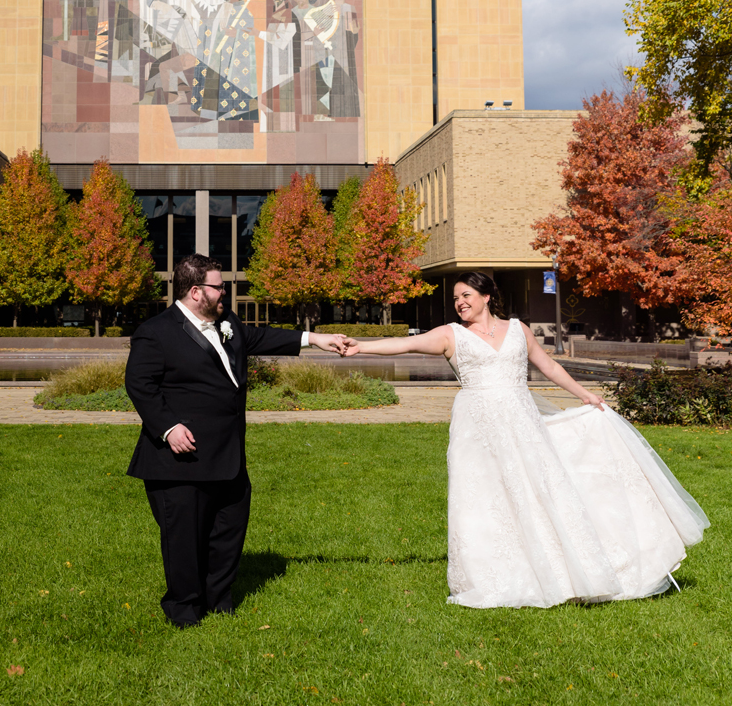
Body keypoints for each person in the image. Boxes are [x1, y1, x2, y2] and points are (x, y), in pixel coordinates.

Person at [342, 271, 708, 607]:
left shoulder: (519, 329)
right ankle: (491, 575)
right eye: (455, 298)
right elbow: (406, 346)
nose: (460, 303)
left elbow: (548, 366)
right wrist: (361, 347)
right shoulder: (450, 334)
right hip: (477, 427)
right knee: (485, 497)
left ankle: (563, 568)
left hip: (522, 420)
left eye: (466, 295)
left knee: (538, 490)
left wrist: (584, 395)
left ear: (487, 296)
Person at [124, 255, 353, 627]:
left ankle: (219, 600)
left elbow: (265, 337)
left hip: (227, 454)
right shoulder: (157, 331)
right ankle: (184, 609)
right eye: (219, 286)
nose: (225, 292)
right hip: (180, 458)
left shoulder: (228, 323)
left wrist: (317, 339)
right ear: (196, 291)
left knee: (228, 530)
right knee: (184, 538)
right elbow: (139, 384)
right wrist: (168, 428)